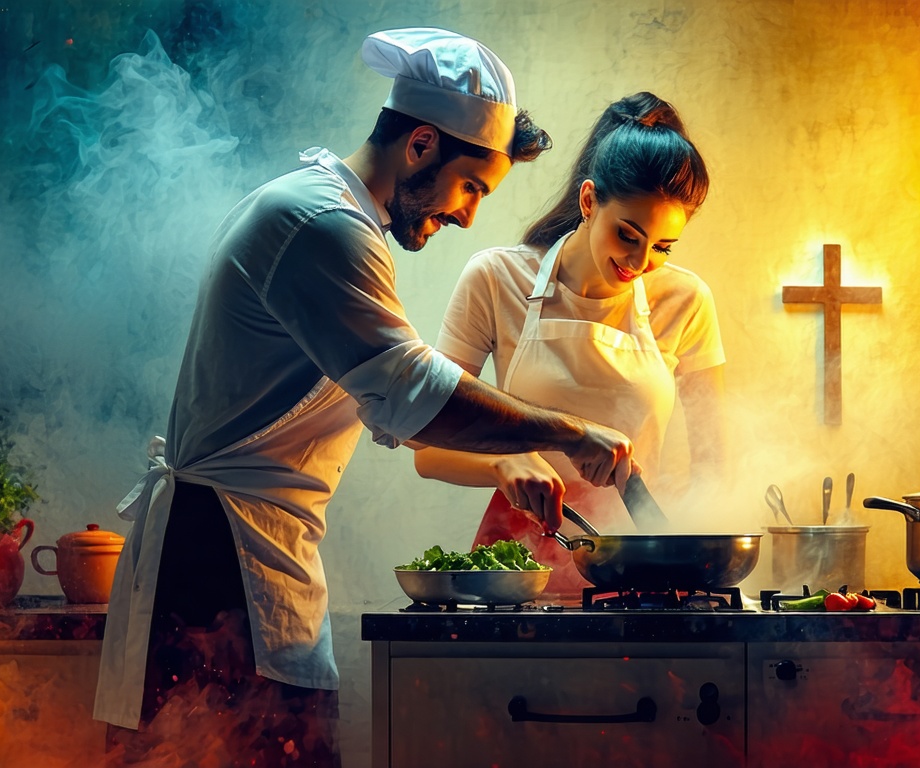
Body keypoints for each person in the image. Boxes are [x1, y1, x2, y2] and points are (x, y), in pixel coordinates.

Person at [92, 28, 635, 766]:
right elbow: (408, 386)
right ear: (420, 145)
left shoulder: (334, 215)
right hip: (219, 561)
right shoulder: (323, 226)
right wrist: (569, 430)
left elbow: (388, 394)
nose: (470, 215)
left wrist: (508, 456)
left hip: (244, 551)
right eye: (471, 186)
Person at [413, 92, 724, 597]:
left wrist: (688, 553)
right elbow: (425, 445)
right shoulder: (496, 278)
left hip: (639, 563)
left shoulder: (686, 300)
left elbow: (715, 467)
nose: (640, 261)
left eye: (663, 247)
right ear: (588, 201)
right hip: (517, 566)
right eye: (628, 235)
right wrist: (502, 460)